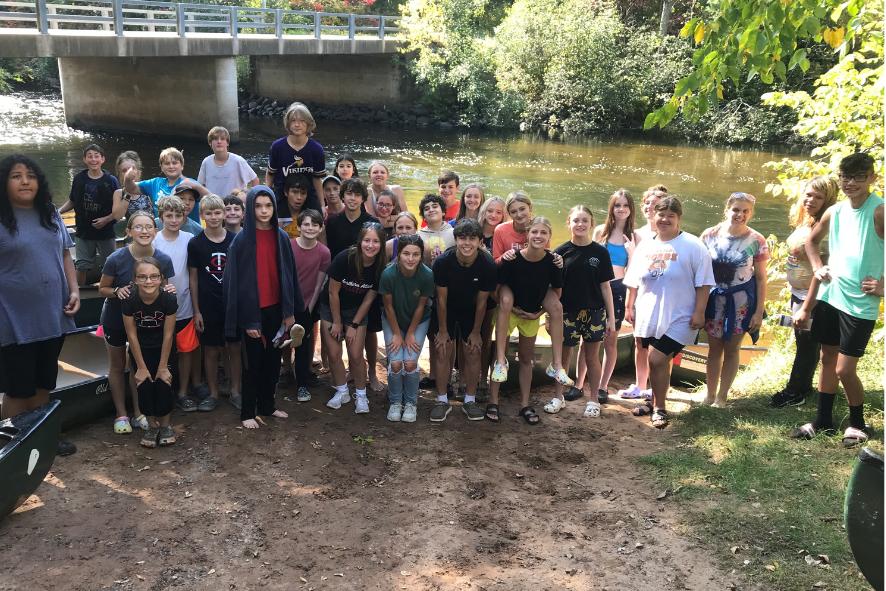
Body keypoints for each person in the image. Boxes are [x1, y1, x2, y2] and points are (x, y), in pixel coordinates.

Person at [793, 153, 884, 448]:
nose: (851, 183)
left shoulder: (879, 211)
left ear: (873, 178)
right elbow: (811, 241)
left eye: (860, 176)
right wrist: (818, 267)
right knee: (827, 360)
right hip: (833, 297)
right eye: (846, 177)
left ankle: (857, 423)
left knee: (845, 369)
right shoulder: (835, 211)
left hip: (861, 303)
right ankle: (823, 421)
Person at [0, 154, 80, 456]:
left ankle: (42, 437)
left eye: (31, 175)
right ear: (4, 182)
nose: (25, 181)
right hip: (11, 316)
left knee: (44, 379)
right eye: (16, 175)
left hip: (52, 311)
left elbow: (64, 255)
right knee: (18, 386)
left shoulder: (49, 212)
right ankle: (13, 443)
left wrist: (73, 290)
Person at [624, 196, 714, 429]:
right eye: (660, 215)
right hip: (650, 312)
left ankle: (660, 408)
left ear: (679, 218)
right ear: (654, 216)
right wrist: (628, 306)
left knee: (656, 359)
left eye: (670, 216)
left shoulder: (693, 245)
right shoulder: (646, 245)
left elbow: (704, 283)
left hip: (680, 316)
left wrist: (700, 312)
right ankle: (653, 401)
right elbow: (633, 279)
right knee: (657, 362)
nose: (664, 220)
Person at [223, 185, 305, 428]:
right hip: (253, 312)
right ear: (249, 208)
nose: (263, 210)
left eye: (268, 205)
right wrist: (248, 320)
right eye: (258, 206)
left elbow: (290, 275)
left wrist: (289, 312)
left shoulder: (281, 236)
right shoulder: (241, 240)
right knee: (252, 364)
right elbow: (234, 283)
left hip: (276, 309)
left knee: (272, 361)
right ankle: (248, 412)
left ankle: (267, 406)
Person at [99, 212, 176, 434]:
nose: (144, 231)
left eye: (148, 227)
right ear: (129, 232)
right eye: (138, 227)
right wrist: (116, 291)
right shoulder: (116, 258)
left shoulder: (163, 259)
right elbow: (102, 288)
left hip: (144, 323)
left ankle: (139, 412)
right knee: (117, 365)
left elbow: (161, 293)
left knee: (137, 365)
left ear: (155, 231)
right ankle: (121, 414)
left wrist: (168, 290)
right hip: (116, 318)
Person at [488, 217, 564, 426]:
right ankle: (493, 401)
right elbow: (496, 289)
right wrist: (511, 308)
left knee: (526, 358)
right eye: (535, 232)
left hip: (531, 314)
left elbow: (556, 294)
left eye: (543, 233)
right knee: (498, 357)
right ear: (527, 235)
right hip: (510, 312)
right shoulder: (513, 259)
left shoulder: (552, 261)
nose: (538, 236)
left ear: (549, 237)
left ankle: (524, 404)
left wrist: (539, 314)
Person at [770, 177, 838, 407]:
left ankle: (795, 392)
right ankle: (805, 387)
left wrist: (807, 308)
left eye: (819, 197)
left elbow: (823, 273)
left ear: (828, 200)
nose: (811, 200)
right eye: (808, 194)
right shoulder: (809, 222)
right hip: (799, 293)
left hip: (815, 297)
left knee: (808, 344)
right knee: (803, 341)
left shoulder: (825, 230)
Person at [490, 191, 570, 387]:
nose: (519, 214)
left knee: (557, 307)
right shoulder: (501, 230)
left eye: (522, 209)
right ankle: (501, 361)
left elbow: (542, 254)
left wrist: (556, 258)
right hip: (510, 278)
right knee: (506, 301)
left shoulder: (538, 227)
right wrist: (507, 256)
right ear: (509, 213)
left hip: (534, 280)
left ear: (530, 207)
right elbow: (495, 262)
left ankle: (557, 364)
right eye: (514, 211)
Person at [700, 192, 769, 407]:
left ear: (751, 214)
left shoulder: (757, 240)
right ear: (727, 210)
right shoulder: (709, 235)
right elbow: (699, 272)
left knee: (731, 349)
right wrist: (698, 306)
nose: (740, 214)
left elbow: (760, 278)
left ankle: (722, 397)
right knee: (714, 349)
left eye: (745, 211)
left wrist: (758, 311)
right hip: (715, 300)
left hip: (741, 303)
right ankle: (709, 394)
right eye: (736, 210)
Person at [547, 206, 616, 417]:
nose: (580, 224)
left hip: (595, 312)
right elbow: (552, 289)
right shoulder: (560, 252)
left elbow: (605, 287)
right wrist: (549, 316)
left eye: (585, 220)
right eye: (576, 220)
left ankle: (593, 400)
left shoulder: (600, 252)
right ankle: (558, 398)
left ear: (592, 224)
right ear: (568, 223)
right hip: (567, 313)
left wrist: (611, 319)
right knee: (563, 357)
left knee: (591, 357)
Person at [431, 219, 498, 422]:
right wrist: (443, 331)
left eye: (472, 239)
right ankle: (442, 400)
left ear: (479, 241)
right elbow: (441, 300)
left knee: (473, 350)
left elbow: (482, 302)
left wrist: (476, 332)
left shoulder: (487, 264)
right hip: (446, 309)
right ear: (455, 239)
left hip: (472, 309)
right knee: (443, 349)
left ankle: (470, 400)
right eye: (462, 238)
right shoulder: (442, 262)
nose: (466, 243)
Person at [319, 224, 387, 414]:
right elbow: (332, 293)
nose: (370, 245)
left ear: (381, 244)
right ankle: (342, 391)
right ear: (360, 242)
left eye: (375, 241)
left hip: (357, 310)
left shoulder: (379, 266)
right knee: (334, 354)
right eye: (367, 240)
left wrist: (354, 324)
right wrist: (338, 322)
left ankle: (361, 394)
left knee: (356, 355)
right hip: (332, 308)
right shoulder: (345, 258)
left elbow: (368, 298)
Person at [152, 195, 203, 410]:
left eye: (178, 216)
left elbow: (193, 275)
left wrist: (196, 308)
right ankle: (164, 390)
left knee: (186, 350)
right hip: (159, 306)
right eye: (168, 216)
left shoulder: (190, 238)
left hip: (185, 304)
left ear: (184, 217)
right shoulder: (154, 240)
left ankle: (183, 392)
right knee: (162, 348)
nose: (173, 220)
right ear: (161, 217)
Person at [587, 190, 638, 403]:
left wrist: (633, 252)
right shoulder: (600, 232)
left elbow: (635, 272)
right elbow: (589, 259)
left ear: (630, 209)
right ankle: (581, 383)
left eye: (625, 205)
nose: (621, 209)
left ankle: (603, 386)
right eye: (617, 205)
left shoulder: (635, 236)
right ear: (612, 208)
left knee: (610, 339)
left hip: (618, 288)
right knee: (588, 338)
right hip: (596, 286)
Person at [122, 257, 178, 448]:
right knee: (144, 386)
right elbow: (131, 335)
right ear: (135, 279)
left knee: (163, 384)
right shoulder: (130, 301)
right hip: (141, 349)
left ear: (162, 278)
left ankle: (165, 426)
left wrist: (163, 367)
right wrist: (141, 367)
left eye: (154, 277)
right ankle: (152, 427)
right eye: (143, 277)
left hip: (165, 348)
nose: (148, 281)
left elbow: (168, 334)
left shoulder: (168, 299)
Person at [188, 194, 236, 411]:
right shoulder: (196, 243)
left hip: (232, 304)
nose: (214, 217)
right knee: (211, 349)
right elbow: (193, 278)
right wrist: (196, 311)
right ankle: (213, 394)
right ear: (201, 215)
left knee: (234, 347)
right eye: (209, 213)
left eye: (218, 212)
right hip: (208, 306)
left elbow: (242, 274)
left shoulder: (235, 240)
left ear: (225, 214)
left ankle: (236, 391)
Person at [379, 234, 434, 422]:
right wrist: (396, 333)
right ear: (399, 254)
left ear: (421, 256)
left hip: (418, 321)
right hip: (392, 319)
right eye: (406, 254)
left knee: (409, 363)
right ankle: (395, 402)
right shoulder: (388, 274)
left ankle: (411, 403)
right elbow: (388, 307)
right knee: (395, 364)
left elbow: (421, 307)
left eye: (416, 254)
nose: (411, 259)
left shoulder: (426, 274)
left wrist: (410, 334)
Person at [620, 184, 666, 399]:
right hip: (642, 294)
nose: (649, 207)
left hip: (664, 296)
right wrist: (629, 304)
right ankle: (640, 386)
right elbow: (632, 271)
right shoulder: (636, 234)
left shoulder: (670, 233)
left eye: (655, 204)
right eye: (646, 203)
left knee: (664, 345)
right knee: (640, 341)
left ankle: (658, 389)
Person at [280, 209, 330, 402]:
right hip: (285, 302)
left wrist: (308, 309)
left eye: (315, 225)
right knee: (281, 340)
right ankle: (284, 373)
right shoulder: (288, 246)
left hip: (307, 305)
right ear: (299, 227)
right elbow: (283, 278)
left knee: (302, 346)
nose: (310, 228)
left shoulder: (324, 253)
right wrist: (286, 306)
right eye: (306, 224)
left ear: (320, 228)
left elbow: (318, 284)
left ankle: (302, 384)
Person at [58, 144, 120, 285]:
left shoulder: (111, 181)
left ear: (102, 159)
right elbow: (73, 201)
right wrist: (58, 211)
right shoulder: (79, 178)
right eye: (90, 156)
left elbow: (120, 208)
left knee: (110, 266)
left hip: (106, 232)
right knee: (81, 266)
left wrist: (107, 219)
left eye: (96, 156)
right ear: (84, 160)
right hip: (84, 231)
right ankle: (79, 295)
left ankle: (109, 294)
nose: (93, 159)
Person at [417, 193, 457, 394]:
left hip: (451, 290)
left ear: (443, 211)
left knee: (449, 336)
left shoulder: (453, 233)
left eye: (435, 206)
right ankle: (434, 375)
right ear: (423, 214)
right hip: (428, 290)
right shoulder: (419, 235)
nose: (431, 209)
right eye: (427, 208)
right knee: (433, 335)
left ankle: (447, 378)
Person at [266, 102, 326, 219]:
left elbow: (317, 178)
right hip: (282, 193)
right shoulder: (278, 147)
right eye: (293, 120)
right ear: (288, 124)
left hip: (307, 194)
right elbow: (270, 173)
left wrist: (322, 204)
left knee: (318, 223)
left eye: (302, 120)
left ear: (309, 123)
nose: (297, 124)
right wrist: (266, 195)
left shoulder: (316, 149)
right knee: (276, 222)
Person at [123, 146, 209, 223]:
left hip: (189, 233)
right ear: (161, 167)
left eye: (175, 163)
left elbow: (211, 199)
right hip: (163, 234)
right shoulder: (155, 183)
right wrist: (128, 178)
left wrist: (197, 186)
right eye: (167, 163)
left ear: (182, 166)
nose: (171, 166)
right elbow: (131, 188)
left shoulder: (190, 183)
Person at [325, 177, 380, 259]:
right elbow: (331, 252)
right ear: (342, 196)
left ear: (363, 199)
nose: (353, 198)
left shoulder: (373, 222)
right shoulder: (333, 222)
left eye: (357, 195)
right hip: (339, 267)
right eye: (349, 193)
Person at [198, 126, 259, 196]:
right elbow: (201, 185)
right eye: (215, 139)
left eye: (222, 139)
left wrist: (249, 200)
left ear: (227, 143)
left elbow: (255, 181)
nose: (219, 142)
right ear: (210, 143)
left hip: (234, 205)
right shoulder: (206, 162)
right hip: (215, 205)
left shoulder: (237, 161)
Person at [112, 151, 153, 222]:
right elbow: (117, 216)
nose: (128, 173)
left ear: (139, 172)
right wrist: (129, 192)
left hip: (149, 230)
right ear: (120, 175)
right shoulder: (118, 193)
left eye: (131, 169)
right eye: (124, 170)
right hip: (131, 231)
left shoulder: (148, 190)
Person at [278, 173, 312, 239]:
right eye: (295, 192)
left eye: (303, 193)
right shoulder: (276, 216)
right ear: (286, 192)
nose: (299, 197)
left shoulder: (311, 217)